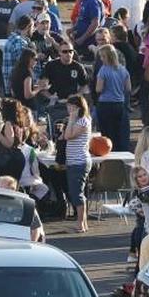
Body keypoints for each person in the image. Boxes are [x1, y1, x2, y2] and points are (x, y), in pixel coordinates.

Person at [63, 95, 92, 233]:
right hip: (74, 161)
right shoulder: (77, 121)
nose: (68, 109)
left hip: (79, 161)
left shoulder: (82, 121)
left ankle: (81, 223)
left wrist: (71, 120)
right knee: (76, 192)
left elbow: (68, 135)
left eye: (71, 106)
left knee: (77, 193)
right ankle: (83, 222)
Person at [95, 44, 132, 152]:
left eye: (102, 56)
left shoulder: (103, 70)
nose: (101, 59)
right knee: (120, 133)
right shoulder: (123, 69)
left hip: (105, 104)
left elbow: (99, 89)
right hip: (119, 103)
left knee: (107, 134)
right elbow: (128, 88)